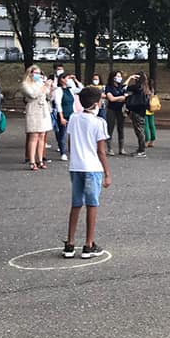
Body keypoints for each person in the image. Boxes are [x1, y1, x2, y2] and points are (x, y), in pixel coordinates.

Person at [62, 86, 112, 260]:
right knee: (92, 205)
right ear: (96, 103)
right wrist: (107, 172)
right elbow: (101, 151)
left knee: (76, 204)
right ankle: (88, 244)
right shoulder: (99, 122)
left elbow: (69, 143)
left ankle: (70, 243)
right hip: (92, 167)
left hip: (76, 166)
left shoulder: (74, 118)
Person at [20, 65, 54, 170]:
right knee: (34, 135)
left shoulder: (41, 83)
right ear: (30, 73)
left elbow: (49, 97)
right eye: (36, 73)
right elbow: (33, 94)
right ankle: (32, 161)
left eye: (39, 73)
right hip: (33, 110)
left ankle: (40, 160)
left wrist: (50, 88)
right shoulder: (25, 84)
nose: (38, 75)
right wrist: (44, 87)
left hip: (44, 110)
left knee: (42, 136)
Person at [53, 72, 84, 162]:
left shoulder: (70, 90)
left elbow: (82, 89)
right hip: (64, 114)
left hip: (72, 114)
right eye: (67, 78)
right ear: (62, 79)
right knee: (63, 134)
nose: (68, 80)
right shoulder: (58, 90)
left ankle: (73, 151)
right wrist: (61, 117)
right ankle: (63, 152)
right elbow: (58, 104)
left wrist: (75, 80)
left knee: (74, 134)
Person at [124, 72, 151, 157]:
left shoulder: (137, 87)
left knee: (139, 131)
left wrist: (130, 77)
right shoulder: (146, 88)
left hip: (136, 111)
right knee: (141, 130)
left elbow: (124, 87)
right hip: (142, 111)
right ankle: (140, 149)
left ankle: (141, 150)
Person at [104, 71, 128, 156]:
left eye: (120, 76)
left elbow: (125, 95)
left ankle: (121, 148)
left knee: (121, 128)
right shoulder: (109, 87)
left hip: (120, 110)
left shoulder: (121, 87)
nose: (120, 78)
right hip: (111, 110)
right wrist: (121, 97)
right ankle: (109, 148)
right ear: (113, 77)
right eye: (118, 76)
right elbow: (111, 98)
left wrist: (130, 78)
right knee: (110, 128)